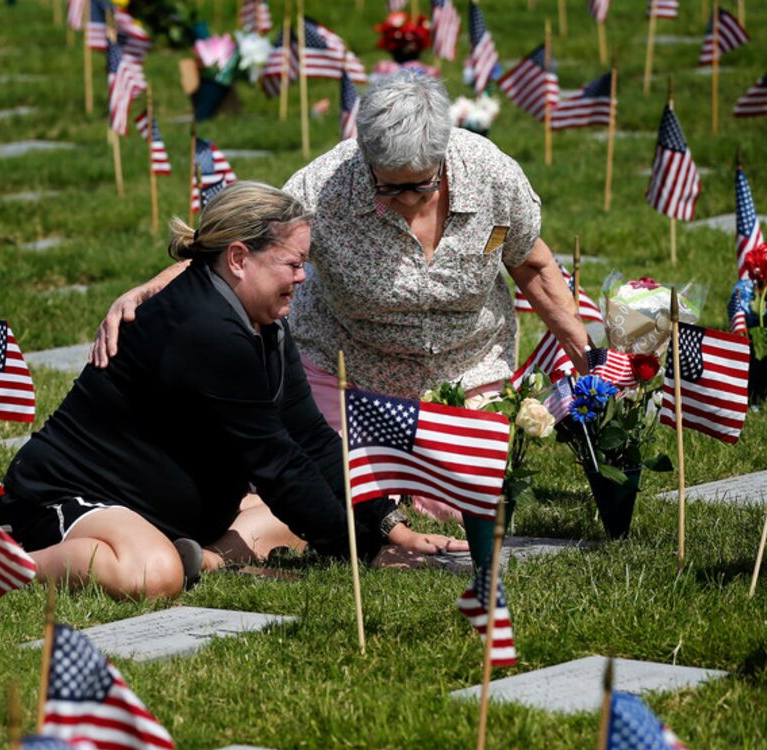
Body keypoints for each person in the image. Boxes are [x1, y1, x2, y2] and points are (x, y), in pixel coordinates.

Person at [90, 71, 592, 520]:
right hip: (348, 371)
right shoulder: (325, 185)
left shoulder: (493, 178)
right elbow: (237, 254)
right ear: (365, 156)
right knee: (330, 496)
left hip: (466, 367)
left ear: (443, 155)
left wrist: (583, 350)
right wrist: (145, 291)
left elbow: (528, 260)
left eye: (421, 185)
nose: (407, 199)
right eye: (388, 187)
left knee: (463, 506)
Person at [0, 183, 461, 601]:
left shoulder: (260, 320)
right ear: (239, 259)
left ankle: (208, 559)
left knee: (295, 512)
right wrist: (365, 554)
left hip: (163, 510)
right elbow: (276, 463)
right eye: (293, 264)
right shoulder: (204, 328)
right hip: (67, 497)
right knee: (154, 575)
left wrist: (388, 525)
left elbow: (311, 438)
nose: (302, 278)